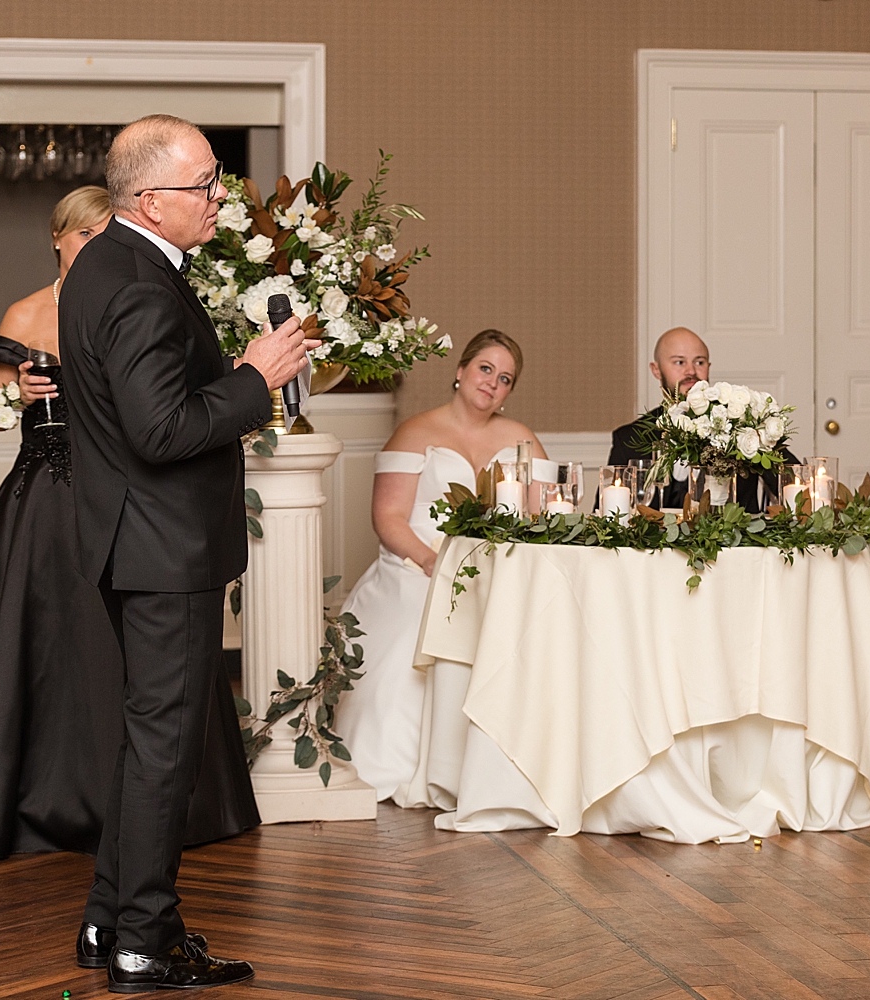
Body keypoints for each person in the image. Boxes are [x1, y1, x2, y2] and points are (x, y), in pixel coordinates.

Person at [0, 186, 260, 866]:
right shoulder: (31, 311)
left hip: (122, 492)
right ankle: (48, 804)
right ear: (57, 237)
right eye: (82, 236)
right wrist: (19, 391)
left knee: (127, 662)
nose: (93, 247)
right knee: (48, 646)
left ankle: (137, 813)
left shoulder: (126, 295)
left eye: (103, 234)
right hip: (45, 496)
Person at [58, 114, 315, 992]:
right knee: (162, 748)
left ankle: (108, 922)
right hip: (163, 549)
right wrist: (256, 378)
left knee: (146, 746)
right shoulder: (134, 280)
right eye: (206, 184)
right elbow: (162, 430)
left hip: (137, 542)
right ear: (151, 199)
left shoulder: (109, 263)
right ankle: (144, 944)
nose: (222, 197)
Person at [335, 329, 554, 802]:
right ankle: (406, 762)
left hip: (494, 569)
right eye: (485, 369)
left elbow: (542, 517)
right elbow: (387, 517)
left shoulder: (522, 439)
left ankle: (497, 770)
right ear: (460, 371)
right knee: (424, 614)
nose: (493, 383)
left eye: (506, 378)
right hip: (415, 565)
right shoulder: (416, 431)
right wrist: (433, 561)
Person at [609, 326, 798, 511]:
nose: (691, 371)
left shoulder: (744, 426)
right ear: (656, 370)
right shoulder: (628, 439)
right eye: (679, 362)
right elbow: (609, 512)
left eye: (699, 362)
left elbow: (796, 482)